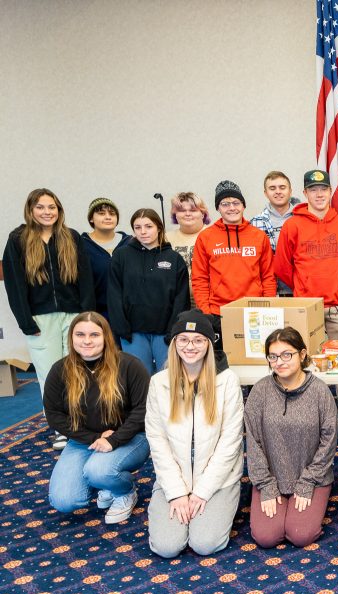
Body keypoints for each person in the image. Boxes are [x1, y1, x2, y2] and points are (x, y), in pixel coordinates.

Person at [146, 311, 244, 558]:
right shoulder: (159, 383)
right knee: (166, 547)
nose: (190, 346)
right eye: (183, 340)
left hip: (218, 480)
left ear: (209, 344)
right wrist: (177, 492)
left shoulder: (228, 381)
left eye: (198, 340)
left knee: (205, 544)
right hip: (174, 477)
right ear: (174, 343)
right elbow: (157, 442)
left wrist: (202, 491)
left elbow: (230, 443)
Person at [275, 169, 338, 431]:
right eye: (313, 190)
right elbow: (282, 266)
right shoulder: (293, 225)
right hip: (307, 307)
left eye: (323, 189)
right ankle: (312, 407)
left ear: (330, 192)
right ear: (305, 194)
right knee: (308, 357)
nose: (319, 194)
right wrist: (304, 289)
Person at [43, 312, 150, 523]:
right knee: (64, 500)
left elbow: (143, 409)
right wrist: (94, 438)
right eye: (80, 334)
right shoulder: (60, 370)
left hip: (131, 438)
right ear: (71, 338)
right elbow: (54, 415)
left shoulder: (130, 365)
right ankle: (106, 482)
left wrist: (113, 440)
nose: (87, 341)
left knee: (98, 471)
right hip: (85, 441)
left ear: (106, 337)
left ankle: (124, 491)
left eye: (94, 334)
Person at [3, 189, 95, 412]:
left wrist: (87, 316)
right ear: (31, 210)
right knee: (50, 374)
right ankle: (59, 426)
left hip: (73, 316)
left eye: (51, 207)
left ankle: (79, 419)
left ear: (59, 210)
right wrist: (26, 322)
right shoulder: (18, 239)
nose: (47, 212)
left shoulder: (71, 237)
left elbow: (85, 279)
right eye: (41, 207)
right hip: (41, 320)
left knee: (77, 370)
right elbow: (14, 285)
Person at [245, 327, 338, 549]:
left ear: (302, 354)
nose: (280, 361)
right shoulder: (260, 391)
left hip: (312, 477)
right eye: (273, 356)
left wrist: (308, 482)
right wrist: (265, 485)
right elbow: (253, 442)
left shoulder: (319, 392)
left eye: (287, 354)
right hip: (271, 477)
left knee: (300, 535)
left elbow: (329, 441)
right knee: (266, 537)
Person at [191, 180, 276, 346]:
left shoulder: (258, 236)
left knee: (254, 363)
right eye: (225, 204)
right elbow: (199, 279)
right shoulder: (206, 237)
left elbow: (268, 277)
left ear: (243, 206)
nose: (231, 208)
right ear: (218, 208)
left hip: (254, 312)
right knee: (221, 364)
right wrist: (206, 312)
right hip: (218, 313)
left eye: (236, 203)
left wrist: (267, 307)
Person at [107, 209, 190, 375]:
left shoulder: (174, 258)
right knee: (139, 379)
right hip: (133, 333)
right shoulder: (121, 256)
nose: (143, 232)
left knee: (168, 378)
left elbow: (182, 298)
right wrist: (121, 328)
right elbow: (113, 293)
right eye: (137, 227)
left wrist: (174, 330)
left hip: (165, 334)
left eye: (148, 226)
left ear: (158, 228)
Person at [250, 171, 302, 295]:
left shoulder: (303, 218)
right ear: (265, 193)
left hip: (300, 289)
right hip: (270, 291)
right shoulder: (255, 223)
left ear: (290, 191)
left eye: (282, 187)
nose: (278, 191)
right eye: (272, 188)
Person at [80, 197, 129, 321]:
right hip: (96, 314)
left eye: (112, 214)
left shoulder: (130, 243)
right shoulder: (81, 245)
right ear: (91, 218)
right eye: (101, 213)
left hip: (128, 314)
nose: (108, 217)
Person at [165, 192, 211, 280]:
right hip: (177, 293)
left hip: (207, 293)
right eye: (182, 210)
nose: (187, 214)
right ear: (175, 215)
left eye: (193, 210)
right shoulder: (166, 238)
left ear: (203, 214)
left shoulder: (214, 235)